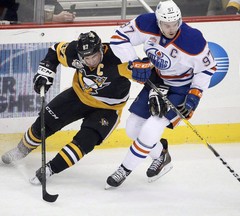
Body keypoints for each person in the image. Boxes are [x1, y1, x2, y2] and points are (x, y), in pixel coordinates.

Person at [1, 31, 151, 185]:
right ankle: (21, 150)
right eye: (86, 58)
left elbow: (146, 74)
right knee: (44, 122)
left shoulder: (118, 57)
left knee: (85, 141)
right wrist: (45, 73)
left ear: (100, 49)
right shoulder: (74, 52)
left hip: (108, 108)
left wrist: (147, 71)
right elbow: (55, 50)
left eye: (94, 56)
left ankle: (50, 169)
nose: (91, 61)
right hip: (78, 96)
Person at [105, 0, 217, 188]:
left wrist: (195, 94)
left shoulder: (193, 40)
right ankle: (161, 156)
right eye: (166, 24)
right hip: (156, 81)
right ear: (158, 22)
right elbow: (118, 38)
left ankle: (124, 169)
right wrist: (133, 62)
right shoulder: (146, 23)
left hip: (180, 89)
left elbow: (208, 68)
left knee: (151, 128)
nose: (171, 28)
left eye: (175, 24)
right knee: (133, 128)